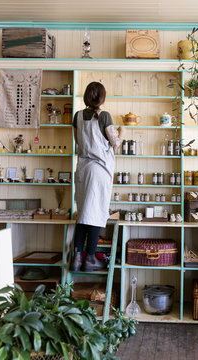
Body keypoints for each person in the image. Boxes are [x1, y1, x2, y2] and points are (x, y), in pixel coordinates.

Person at [71, 82, 125, 272]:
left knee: (84, 213)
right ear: (102, 98)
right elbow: (115, 143)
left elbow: (79, 142)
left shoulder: (77, 116)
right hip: (99, 169)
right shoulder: (104, 116)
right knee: (95, 213)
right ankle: (91, 258)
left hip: (83, 169)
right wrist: (122, 132)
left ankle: (77, 258)